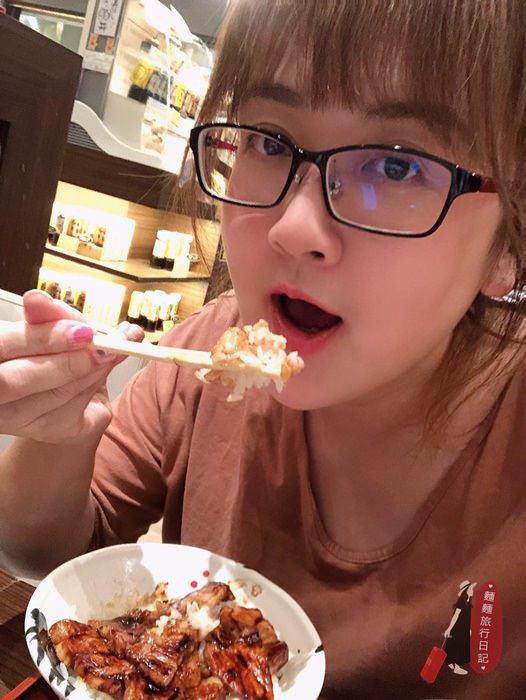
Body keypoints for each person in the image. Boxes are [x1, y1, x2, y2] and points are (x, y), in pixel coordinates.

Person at [0, 0, 525, 696]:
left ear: (507, 245)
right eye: (271, 142)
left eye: (396, 167)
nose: (294, 227)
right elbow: (45, 556)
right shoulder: (208, 354)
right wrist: (59, 438)